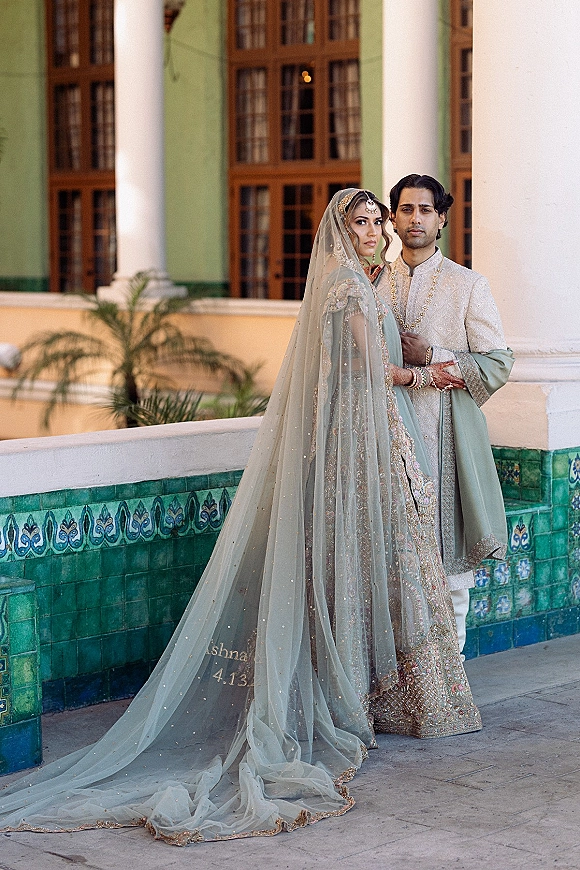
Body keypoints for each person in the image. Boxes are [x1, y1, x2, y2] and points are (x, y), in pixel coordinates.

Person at [0, 190, 481, 846]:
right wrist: (423, 366)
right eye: (361, 222)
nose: (374, 231)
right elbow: (373, 369)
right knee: (376, 557)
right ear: (341, 232)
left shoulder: (351, 286)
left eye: (376, 222)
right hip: (366, 432)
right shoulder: (347, 288)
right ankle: (367, 697)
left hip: (365, 433)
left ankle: (365, 693)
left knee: (367, 558)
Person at [377, 174, 514, 653]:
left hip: (445, 440)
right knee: (389, 563)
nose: (416, 219)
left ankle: (449, 684)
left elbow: (498, 363)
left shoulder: (468, 285)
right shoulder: (370, 284)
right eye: (406, 209)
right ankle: (397, 684)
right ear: (392, 218)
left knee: (449, 568)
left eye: (426, 210)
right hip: (381, 440)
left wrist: (431, 356)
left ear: (442, 219)